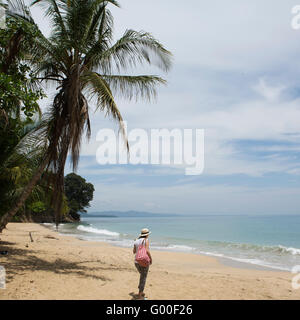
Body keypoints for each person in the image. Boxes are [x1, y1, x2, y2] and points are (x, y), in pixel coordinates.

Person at [133, 228, 152, 300]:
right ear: (147, 235)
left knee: (142, 276)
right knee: (143, 278)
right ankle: (140, 296)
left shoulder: (136, 241)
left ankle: (140, 291)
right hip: (144, 261)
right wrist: (151, 259)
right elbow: (147, 251)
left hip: (136, 262)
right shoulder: (146, 240)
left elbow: (134, 252)